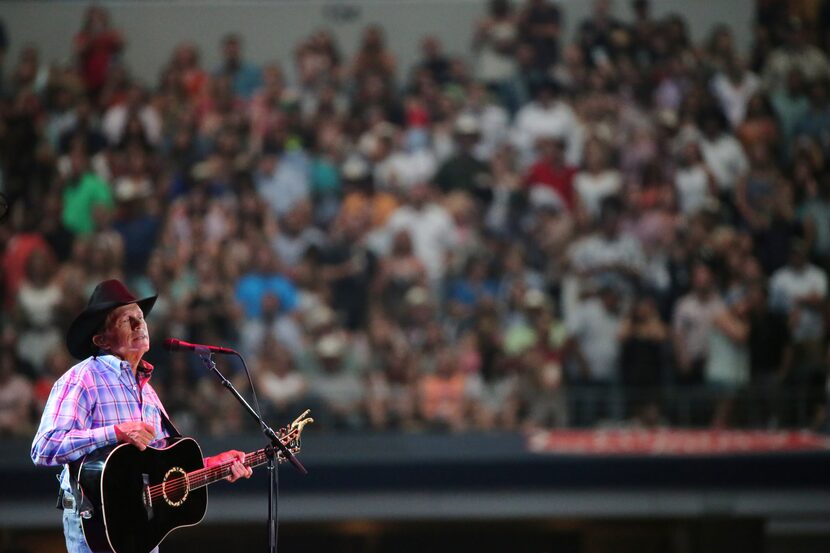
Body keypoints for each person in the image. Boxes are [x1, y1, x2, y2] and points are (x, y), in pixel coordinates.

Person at [31, 279, 252, 553]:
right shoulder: (81, 379)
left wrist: (213, 466)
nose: (139, 325)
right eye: (127, 320)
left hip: (141, 526)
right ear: (101, 339)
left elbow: (160, 463)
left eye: (140, 318)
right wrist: (115, 432)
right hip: (96, 523)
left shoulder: (147, 393)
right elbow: (44, 448)